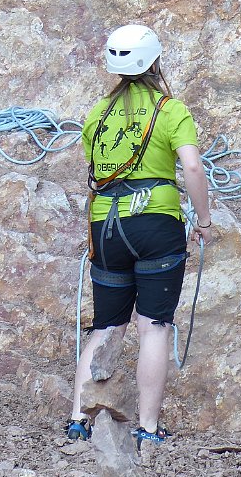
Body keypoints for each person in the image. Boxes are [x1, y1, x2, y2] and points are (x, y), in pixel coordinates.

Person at [67, 23, 213, 446]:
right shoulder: (171, 110)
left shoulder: (96, 114)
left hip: (105, 224)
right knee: (153, 325)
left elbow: (97, 173)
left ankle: (79, 417)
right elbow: (192, 168)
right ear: (154, 61)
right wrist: (203, 221)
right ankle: (147, 428)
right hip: (154, 224)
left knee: (105, 327)